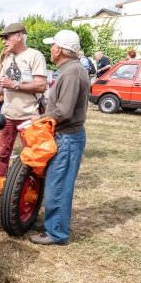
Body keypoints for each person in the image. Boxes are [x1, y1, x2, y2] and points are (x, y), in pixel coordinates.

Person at [28, 30, 90, 245]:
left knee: (59, 185)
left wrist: (38, 121)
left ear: (62, 50)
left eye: (53, 45)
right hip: (65, 136)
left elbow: (63, 111)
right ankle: (54, 224)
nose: (51, 49)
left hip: (68, 137)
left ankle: (56, 233)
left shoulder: (72, 72)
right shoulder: (70, 69)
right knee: (56, 183)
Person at [0, 23, 47, 179]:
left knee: (31, 155)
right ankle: (0, 186)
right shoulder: (8, 58)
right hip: (8, 115)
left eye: (6, 37)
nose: (3, 41)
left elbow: (41, 85)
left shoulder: (35, 55)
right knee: (3, 153)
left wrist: (15, 85)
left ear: (19, 36)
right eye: (3, 38)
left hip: (29, 117)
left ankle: (30, 189)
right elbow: (3, 88)